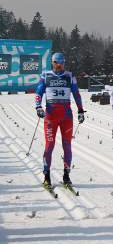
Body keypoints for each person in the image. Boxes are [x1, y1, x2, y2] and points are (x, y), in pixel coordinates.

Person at [35, 52, 85, 188]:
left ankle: (66, 175)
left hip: (66, 117)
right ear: (52, 62)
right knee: (49, 145)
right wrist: (38, 106)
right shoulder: (45, 75)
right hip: (50, 117)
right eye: (57, 62)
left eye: (62, 62)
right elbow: (39, 91)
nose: (59, 65)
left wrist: (80, 110)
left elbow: (76, 93)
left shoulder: (70, 76)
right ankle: (46, 176)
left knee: (67, 146)